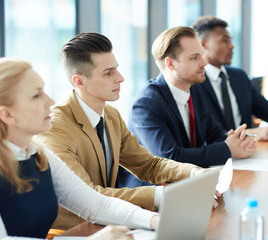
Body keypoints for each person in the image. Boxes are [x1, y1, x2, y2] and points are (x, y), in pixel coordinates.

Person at [36, 32, 203, 230]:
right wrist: (162, 195)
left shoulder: (111, 115)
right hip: (75, 231)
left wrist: (194, 174)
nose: (121, 78)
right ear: (80, 82)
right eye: (108, 73)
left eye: (117, 69)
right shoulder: (55, 127)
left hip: (113, 222)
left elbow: (148, 164)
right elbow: (91, 195)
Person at [0, 58, 159, 239]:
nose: (50, 101)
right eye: (37, 96)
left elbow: (97, 205)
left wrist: (154, 220)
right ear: (7, 115)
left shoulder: (40, 155)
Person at [128, 26, 256, 168]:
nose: (204, 63)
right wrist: (227, 148)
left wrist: (237, 141)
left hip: (192, 180)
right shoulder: (147, 103)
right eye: (195, 58)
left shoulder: (195, 90)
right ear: (170, 64)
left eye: (202, 54)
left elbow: (215, 134)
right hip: (156, 187)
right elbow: (171, 158)